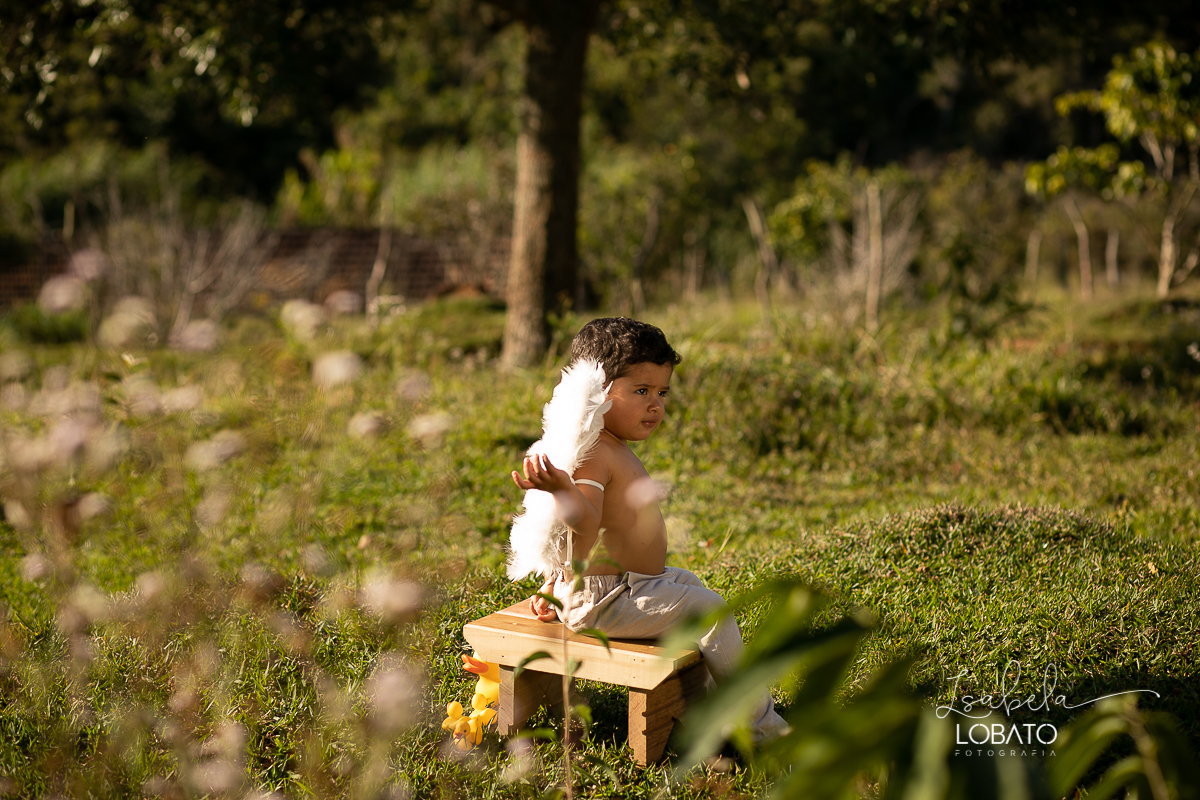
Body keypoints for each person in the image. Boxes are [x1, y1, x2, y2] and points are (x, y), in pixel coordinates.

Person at [510, 316, 789, 745]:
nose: (655, 404)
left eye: (662, 392)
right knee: (710, 612)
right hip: (605, 599)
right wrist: (564, 490)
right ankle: (764, 731)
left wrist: (556, 583)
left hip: (630, 584)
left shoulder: (610, 446)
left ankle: (715, 709)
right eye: (641, 391)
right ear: (597, 392)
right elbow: (581, 519)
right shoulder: (593, 455)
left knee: (692, 585)